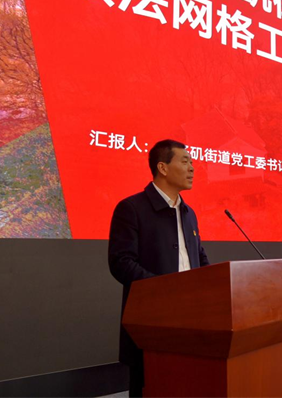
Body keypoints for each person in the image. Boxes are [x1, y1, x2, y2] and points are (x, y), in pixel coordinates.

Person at [108, 139, 210, 398]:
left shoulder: (189, 214)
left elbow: (199, 259)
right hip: (151, 324)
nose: (192, 168)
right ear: (162, 168)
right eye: (185, 162)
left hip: (192, 320)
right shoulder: (132, 208)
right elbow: (121, 263)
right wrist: (166, 291)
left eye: (192, 162)